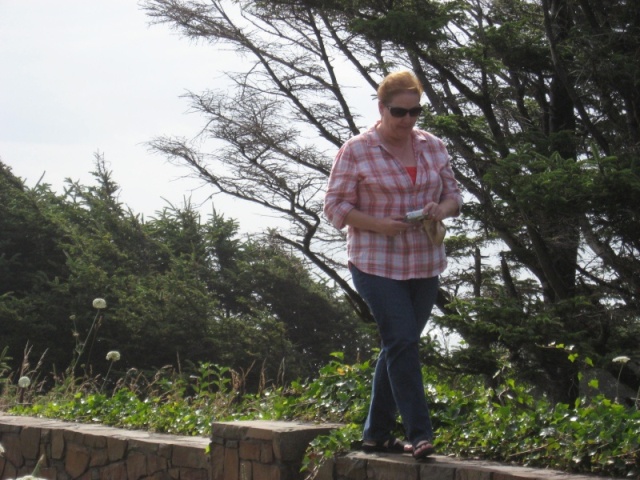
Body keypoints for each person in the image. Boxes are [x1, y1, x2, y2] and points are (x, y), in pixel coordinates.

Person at [323, 70, 462, 460]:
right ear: (382, 108)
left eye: (415, 112)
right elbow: (335, 206)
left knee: (398, 345)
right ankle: (420, 434)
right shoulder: (357, 149)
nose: (408, 120)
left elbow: (454, 196)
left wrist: (441, 209)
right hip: (375, 261)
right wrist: (379, 225)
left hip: (424, 261)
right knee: (402, 341)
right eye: (400, 112)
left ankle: (376, 435)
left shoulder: (432, 146)